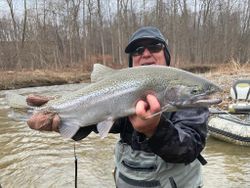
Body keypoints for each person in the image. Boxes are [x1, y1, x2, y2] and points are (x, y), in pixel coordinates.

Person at [27, 26, 209, 188]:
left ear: (166, 55)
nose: (145, 54)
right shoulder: (122, 89)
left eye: (154, 47)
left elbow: (189, 148)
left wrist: (155, 129)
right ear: (131, 61)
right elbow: (91, 123)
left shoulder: (190, 96)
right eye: (138, 50)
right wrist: (60, 116)